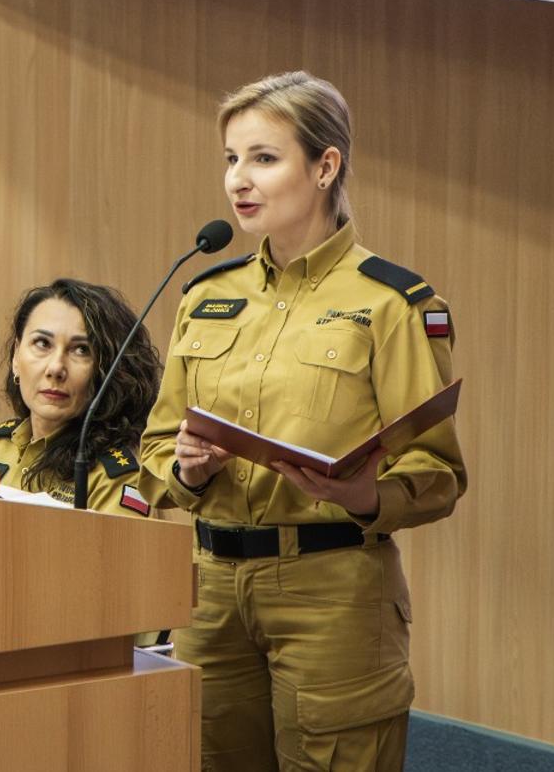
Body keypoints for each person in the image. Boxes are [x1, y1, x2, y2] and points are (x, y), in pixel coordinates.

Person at [138, 72, 467, 771]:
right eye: (230, 158)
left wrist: (366, 496)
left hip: (332, 588)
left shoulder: (392, 304)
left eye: (263, 157)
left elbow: (437, 473)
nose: (238, 180)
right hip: (210, 586)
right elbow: (158, 447)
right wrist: (185, 469)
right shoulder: (207, 295)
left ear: (325, 166)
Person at [0, 278, 161, 517]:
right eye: (42, 343)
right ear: (16, 358)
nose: (56, 368)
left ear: (107, 371)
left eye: (81, 350)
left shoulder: (116, 479)